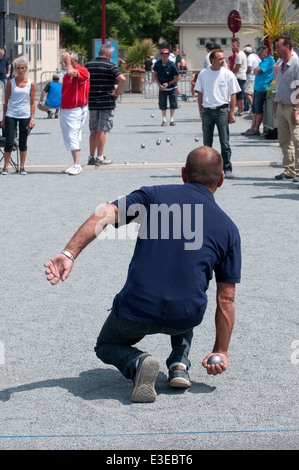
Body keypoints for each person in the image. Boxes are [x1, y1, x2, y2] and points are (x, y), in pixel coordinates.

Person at [44, 146, 241, 403]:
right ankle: (179, 365)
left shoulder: (153, 195)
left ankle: (138, 362)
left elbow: (105, 215)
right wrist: (221, 351)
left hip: (136, 309)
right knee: (188, 298)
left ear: (183, 174)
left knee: (105, 346)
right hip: (183, 316)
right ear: (221, 179)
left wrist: (69, 253)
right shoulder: (229, 229)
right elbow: (226, 299)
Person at [195, 49, 241, 179]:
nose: (223, 61)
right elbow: (200, 93)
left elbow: (233, 94)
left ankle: (227, 168)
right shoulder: (204, 74)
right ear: (212, 60)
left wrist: (231, 113)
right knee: (207, 143)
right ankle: (207, 169)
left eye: (223, 58)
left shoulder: (228, 74)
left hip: (222, 110)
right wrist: (201, 111)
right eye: (220, 59)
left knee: (225, 142)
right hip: (207, 111)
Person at [85, 44, 126, 166]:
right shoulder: (110, 65)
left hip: (92, 100)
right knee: (102, 129)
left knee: (93, 130)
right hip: (106, 101)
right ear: (109, 54)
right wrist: (117, 93)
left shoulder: (89, 65)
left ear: (99, 53)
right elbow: (122, 79)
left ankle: (91, 156)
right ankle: (100, 157)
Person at [0, 56, 35, 175]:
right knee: (9, 141)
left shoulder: (31, 84)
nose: (20, 70)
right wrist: (3, 118)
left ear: (26, 69)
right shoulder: (11, 83)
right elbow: (6, 101)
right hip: (11, 113)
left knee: (23, 142)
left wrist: (32, 118)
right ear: (15, 69)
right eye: (18, 68)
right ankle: (5, 167)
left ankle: (22, 166)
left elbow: (32, 103)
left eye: (23, 68)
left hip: (24, 114)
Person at [273, 34, 299, 182]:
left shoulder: (296, 63)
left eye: (279, 47)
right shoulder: (281, 63)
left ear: (287, 47)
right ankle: (289, 170)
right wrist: (277, 107)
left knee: (297, 139)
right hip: (282, 105)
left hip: (293, 106)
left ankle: (298, 170)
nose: (276, 50)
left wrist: (296, 109)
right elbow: (279, 86)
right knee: (284, 140)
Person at [60, 51, 90, 176]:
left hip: (76, 109)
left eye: (66, 60)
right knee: (68, 134)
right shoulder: (67, 74)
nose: (64, 62)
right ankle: (74, 163)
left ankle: (77, 164)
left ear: (74, 61)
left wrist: (68, 61)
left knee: (73, 134)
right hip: (66, 109)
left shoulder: (82, 70)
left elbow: (72, 72)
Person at [241, 46, 275, 137]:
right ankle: (252, 127)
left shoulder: (269, 60)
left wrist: (256, 70)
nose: (259, 55)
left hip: (262, 87)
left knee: (258, 109)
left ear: (265, 52)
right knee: (255, 109)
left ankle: (256, 129)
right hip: (258, 87)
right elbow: (255, 71)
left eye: (261, 53)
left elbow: (257, 71)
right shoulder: (263, 61)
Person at [153, 49, 180, 126]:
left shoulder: (172, 64)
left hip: (172, 87)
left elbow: (178, 77)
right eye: (163, 56)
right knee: (162, 104)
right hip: (162, 88)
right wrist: (159, 85)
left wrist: (169, 83)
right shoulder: (157, 64)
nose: (164, 57)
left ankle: (172, 119)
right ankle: (164, 119)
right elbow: (155, 75)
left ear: (168, 56)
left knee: (173, 103)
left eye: (166, 56)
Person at [232, 40, 247, 116]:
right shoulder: (241, 54)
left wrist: (231, 72)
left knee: (240, 94)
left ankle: (241, 110)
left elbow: (237, 67)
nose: (232, 47)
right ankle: (240, 109)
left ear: (238, 46)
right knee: (239, 94)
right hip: (241, 76)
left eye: (234, 46)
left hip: (239, 76)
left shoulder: (239, 55)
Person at [244, 46, 261, 112]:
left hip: (250, 78)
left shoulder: (249, 57)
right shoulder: (256, 56)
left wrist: (245, 73)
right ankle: (255, 107)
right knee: (253, 94)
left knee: (247, 93)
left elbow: (250, 68)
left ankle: (253, 108)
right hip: (256, 77)